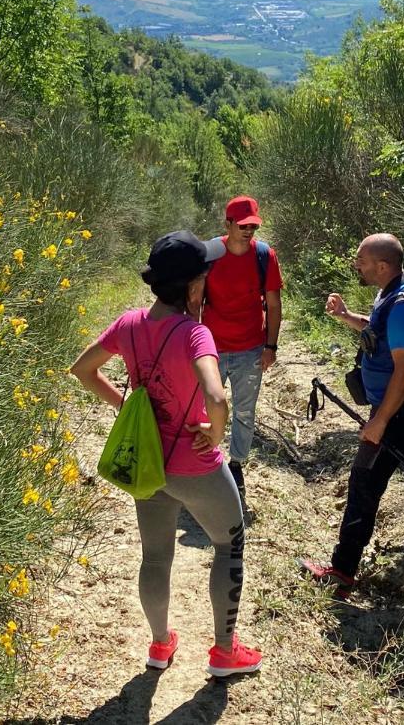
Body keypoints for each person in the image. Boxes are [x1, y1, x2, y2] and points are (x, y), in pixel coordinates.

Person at [71, 230, 262, 677]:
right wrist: (215, 435)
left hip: (149, 463)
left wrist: (125, 406)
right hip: (195, 466)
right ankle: (224, 653)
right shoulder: (196, 334)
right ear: (194, 287)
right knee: (228, 546)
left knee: (155, 556)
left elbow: (83, 370)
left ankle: (159, 646)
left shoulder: (129, 323)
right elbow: (216, 396)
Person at [300, 233, 404, 600]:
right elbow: (378, 331)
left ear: (383, 265)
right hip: (401, 408)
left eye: (362, 259)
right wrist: (346, 317)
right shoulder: (393, 292)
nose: (357, 264)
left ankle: (342, 571)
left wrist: (380, 420)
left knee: (363, 483)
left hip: (398, 408)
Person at [202, 196, 283, 502]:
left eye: (253, 225)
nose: (249, 230)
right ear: (229, 224)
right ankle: (204, 464)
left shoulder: (264, 255)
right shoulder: (210, 254)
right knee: (205, 407)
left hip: (250, 348)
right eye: (243, 225)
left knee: (245, 412)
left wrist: (270, 346)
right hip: (211, 348)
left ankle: (236, 466)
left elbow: (273, 304)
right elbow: (195, 301)